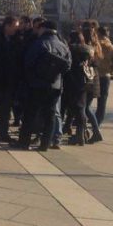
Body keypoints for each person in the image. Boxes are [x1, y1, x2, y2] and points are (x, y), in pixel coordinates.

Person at [14, 20, 71, 151]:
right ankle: (45, 144)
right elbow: (68, 66)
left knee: (30, 113)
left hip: (37, 84)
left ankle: (24, 142)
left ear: (44, 29)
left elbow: (28, 62)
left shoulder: (39, 43)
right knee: (50, 116)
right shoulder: (63, 46)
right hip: (55, 85)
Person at [64, 31, 96, 146]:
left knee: (75, 109)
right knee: (81, 108)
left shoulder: (71, 49)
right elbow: (94, 64)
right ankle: (81, 134)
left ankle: (79, 136)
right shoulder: (89, 50)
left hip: (72, 82)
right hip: (85, 82)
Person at [95, 26, 113, 125]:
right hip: (105, 76)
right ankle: (98, 122)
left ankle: (86, 120)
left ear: (98, 33)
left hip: (94, 74)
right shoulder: (112, 47)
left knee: (87, 100)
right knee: (102, 101)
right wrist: (110, 70)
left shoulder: (95, 45)